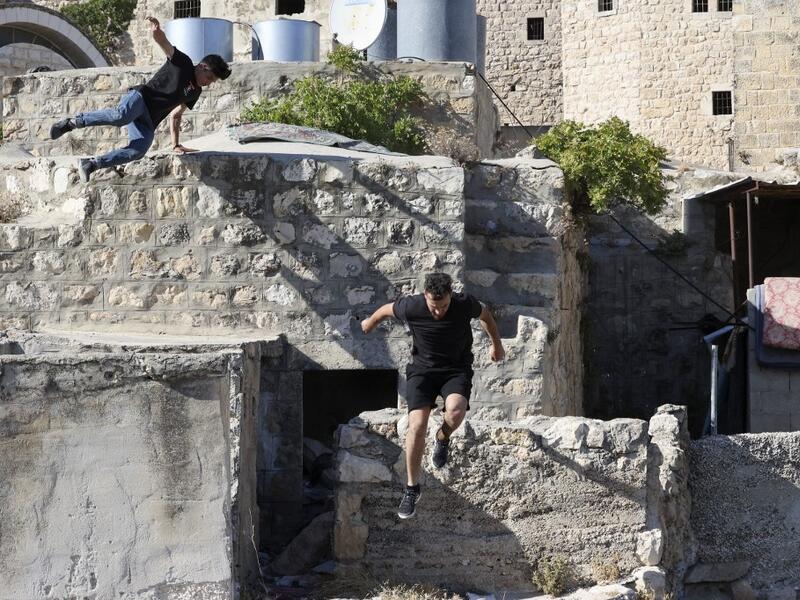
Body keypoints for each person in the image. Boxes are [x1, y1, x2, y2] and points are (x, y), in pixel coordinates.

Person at [361, 272, 505, 519]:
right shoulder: (413, 306)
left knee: (456, 411)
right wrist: (370, 323)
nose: (438, 312)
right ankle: (411, 489)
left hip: (455, 370)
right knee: (416, 426)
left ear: (451, 296)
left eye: (444, 306)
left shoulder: (463, 304)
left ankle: (443, 436)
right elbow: (386, 309)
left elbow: (486, 316)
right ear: (425, 297)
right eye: (434, 307)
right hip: (422, 372)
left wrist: (497, 345)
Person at [49, 16, 231, 182]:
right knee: (120, 117)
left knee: (138, 150)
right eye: (209, 78)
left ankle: (91, 164)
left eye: (213, 81)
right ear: (202, 66)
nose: (208, 83)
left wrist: (176, 144)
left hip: (149, 121)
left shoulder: (195, 92)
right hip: (141, 99)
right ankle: (72, 123)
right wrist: (156, 33)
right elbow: (165, 45)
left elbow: (176, 114)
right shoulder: (182, 62)